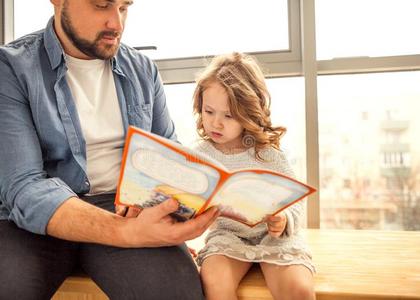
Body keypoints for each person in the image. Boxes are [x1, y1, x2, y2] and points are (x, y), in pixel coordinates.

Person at [0, 1, 219, 299]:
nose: (116, 23)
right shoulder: (11, 68)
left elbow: (168, 157)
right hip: (28, 223)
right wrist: (126, 232)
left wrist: (165, 210)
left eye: (124, 7)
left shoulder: (143, 69)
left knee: (176, 292)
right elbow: (23, 187)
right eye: (101, 5)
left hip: (121, 207)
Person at [192, 52, 316, 300]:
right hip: (227, 237)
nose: (216, 123)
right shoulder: (199, 156)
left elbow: (296, 198)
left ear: (248, 113)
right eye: (209, 112)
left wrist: (283, 218)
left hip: (273, 238)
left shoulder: (266, 153)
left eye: (228, 115)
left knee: (299, 289)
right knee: (213, 281)